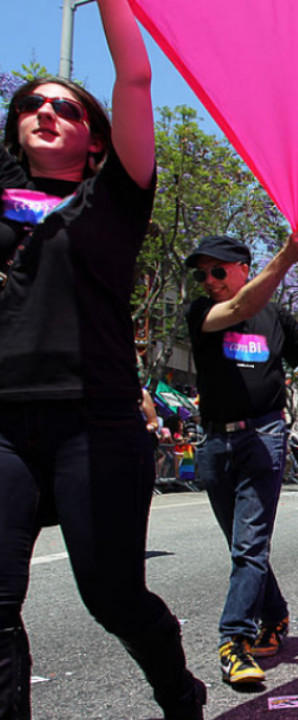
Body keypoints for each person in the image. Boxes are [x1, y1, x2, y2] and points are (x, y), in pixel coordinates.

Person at [0, 4, 207, 716]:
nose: (46, 110)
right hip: (4, 426)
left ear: (94, 139)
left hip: (98, 424)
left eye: (65, 106)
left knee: (113, 596)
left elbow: (137, 76)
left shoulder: (115, 197)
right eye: (31, 104)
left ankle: (177, 689)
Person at [186, 233, 298, 684]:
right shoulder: (202, 312)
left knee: (249, 546)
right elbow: (238, 308)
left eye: (218, 271)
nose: (209, 280)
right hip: (214, 444)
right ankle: (276, 614)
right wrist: (286, 258)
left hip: (263, 438)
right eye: (202, 273)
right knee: (242, 547)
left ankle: (234, 641)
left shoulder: (277, 318)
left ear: (243, 267)